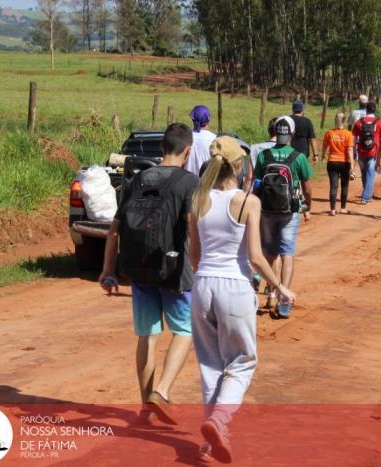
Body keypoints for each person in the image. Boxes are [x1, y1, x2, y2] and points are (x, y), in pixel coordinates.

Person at [188, 136, 296, 464]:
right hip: (234, 288)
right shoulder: (248, 201)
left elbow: (194, 256)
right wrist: (280, 287)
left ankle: (211, 443)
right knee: (242, 362)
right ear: (239, 166)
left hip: (202, 285)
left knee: (210, 367)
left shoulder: (197, 201)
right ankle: (219, 422)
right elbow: (255, 258)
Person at [99, 123, 199, 425]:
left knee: (147, 336)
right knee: (184, 331)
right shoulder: (188, 182)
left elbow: (114, 230)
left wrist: (107, 270)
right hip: (174, 272)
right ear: (188, 151)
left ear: (161, 149)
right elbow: (193, 231)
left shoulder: (137, 179)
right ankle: (162, 391)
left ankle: (145, 406)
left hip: (139, 269)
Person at [254, 116, 313, 317]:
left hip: (267, 210)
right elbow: (307, 186)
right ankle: (284, 300)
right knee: (287, 254)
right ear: (293, 134)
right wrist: (307, 206)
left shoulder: (264, 155)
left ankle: (271, 293)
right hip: (290, 210)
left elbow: (257, 182)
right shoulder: (299, 157)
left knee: (269, 254)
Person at [352, 101, 381, 204]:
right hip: (373, 151)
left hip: (361, 151)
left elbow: (354, 137)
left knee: (364, 174)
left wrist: (354, 150)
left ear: (366, 110)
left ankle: (367, 193)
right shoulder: (380, 123)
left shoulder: (359, 122)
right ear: (375, 110)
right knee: (370, 174)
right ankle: (366, 196)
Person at [321, 112, 354, 215]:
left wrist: (322, 155)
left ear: (335, 120)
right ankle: (343, 208)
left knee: (333, 186)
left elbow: (324, 147)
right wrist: (352, 165)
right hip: (344, 163)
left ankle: (332, 209)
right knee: (345, 186)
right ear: (344, 121)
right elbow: (349, 151)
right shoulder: (348, 134)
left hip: (332, 162)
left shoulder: (329, 133)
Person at [185, 105, 217, 176]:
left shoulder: (185, 137)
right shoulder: (214, 139)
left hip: (187, 183)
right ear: (208, 120)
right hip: (208, 184)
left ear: (192, 119)